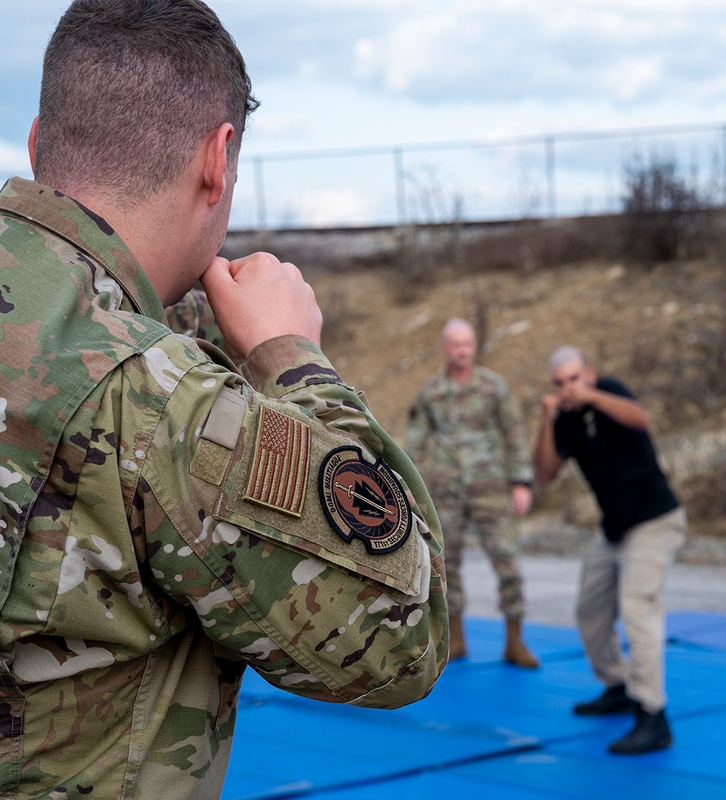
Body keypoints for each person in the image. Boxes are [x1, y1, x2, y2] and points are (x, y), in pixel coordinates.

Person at [0, 2, 447, 797]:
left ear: (38, 144)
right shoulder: (158, 398)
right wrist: (294, 362)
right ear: (220, 156)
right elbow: (403, 638)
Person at [533, 345, 686, 755]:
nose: (568, 388)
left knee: (638, 607)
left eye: (575, 378)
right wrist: (548, 418)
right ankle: (618, 685)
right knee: (590, 609)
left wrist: (592, 396)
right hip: (614, 528)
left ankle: (653, 715)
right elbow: (545, 473)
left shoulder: (611, 392)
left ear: (591, 374)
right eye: (560, 383)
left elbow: (642, 419)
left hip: (654, 519)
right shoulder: (564, 418)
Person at [406, 318, 539, 668]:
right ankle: (457, 640)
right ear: (444, 348)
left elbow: (514, 433)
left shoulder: (494, 387)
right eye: (455, 344)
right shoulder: (431, 393)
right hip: (446, 492)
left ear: (475, 345)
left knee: (507, 562)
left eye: (467, 343)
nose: (462, 350)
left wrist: (521, 482)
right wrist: (410, 489)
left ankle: (514, 641)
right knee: (447, 567)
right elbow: (416, 443)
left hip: (491, 491)